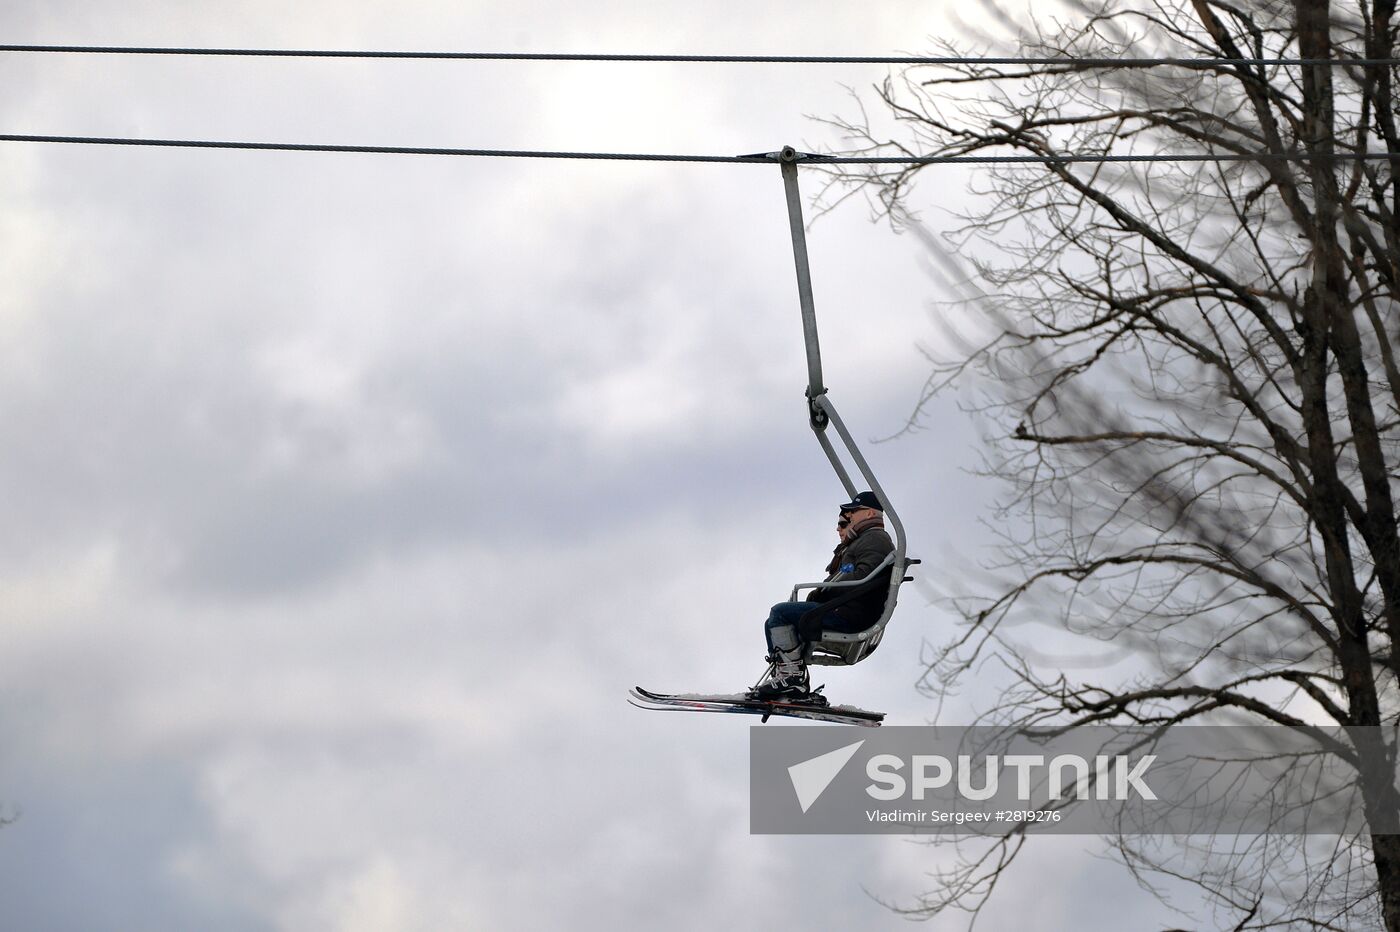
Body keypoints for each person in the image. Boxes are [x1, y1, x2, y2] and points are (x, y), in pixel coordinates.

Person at [750, 491, 895, 700]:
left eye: (854, 511)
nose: (850, 516)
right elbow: (852, 575)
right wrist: (823, 592)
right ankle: (788, 676)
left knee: (780, 613)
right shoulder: (865, 540)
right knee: (773, 621)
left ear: (870, 513)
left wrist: (825, 590)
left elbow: (863, 578)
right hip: (847, 608)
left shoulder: (875, 539)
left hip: (851, 613)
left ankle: (793, 678)